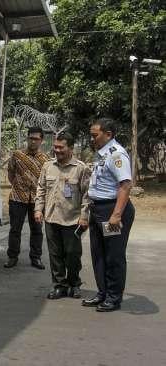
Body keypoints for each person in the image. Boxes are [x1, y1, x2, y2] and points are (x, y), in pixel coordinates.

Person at [82, 118, 134, 312]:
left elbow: (125, 185)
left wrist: (116, 215)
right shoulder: (101, 154)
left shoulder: (117, 154)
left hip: (112, 210)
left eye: (95, 135)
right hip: (98, 209)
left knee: (113, 256)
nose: (91, 138)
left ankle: (113, 297)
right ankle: (103, 292)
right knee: (99, 255)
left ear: (108, 134)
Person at [34, 132, 91, 299]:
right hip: (51, 218)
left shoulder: (81, 168)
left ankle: (74, 284)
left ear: (71, 148)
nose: (57, 150)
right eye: (55, 147)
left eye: (61, 147)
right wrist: (38, 209)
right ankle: (59, 285)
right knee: (55, 254)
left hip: (72, 220)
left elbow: (87, 195)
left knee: (73, 254)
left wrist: (84, 216)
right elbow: (41, 188)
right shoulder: (48, 166)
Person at [5, 126, 50, 269]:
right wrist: (18, 187)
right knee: (15, 229)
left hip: (37, 200)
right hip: (17, 198)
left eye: (36, 139)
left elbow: (46, 180)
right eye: (31, 138)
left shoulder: (45, 159)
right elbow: (11, 173)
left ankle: (36, 257)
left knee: (37, 229)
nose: (33, 141)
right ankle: (12, 257)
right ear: (27, 138)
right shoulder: (17, 155)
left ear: (41, 141)